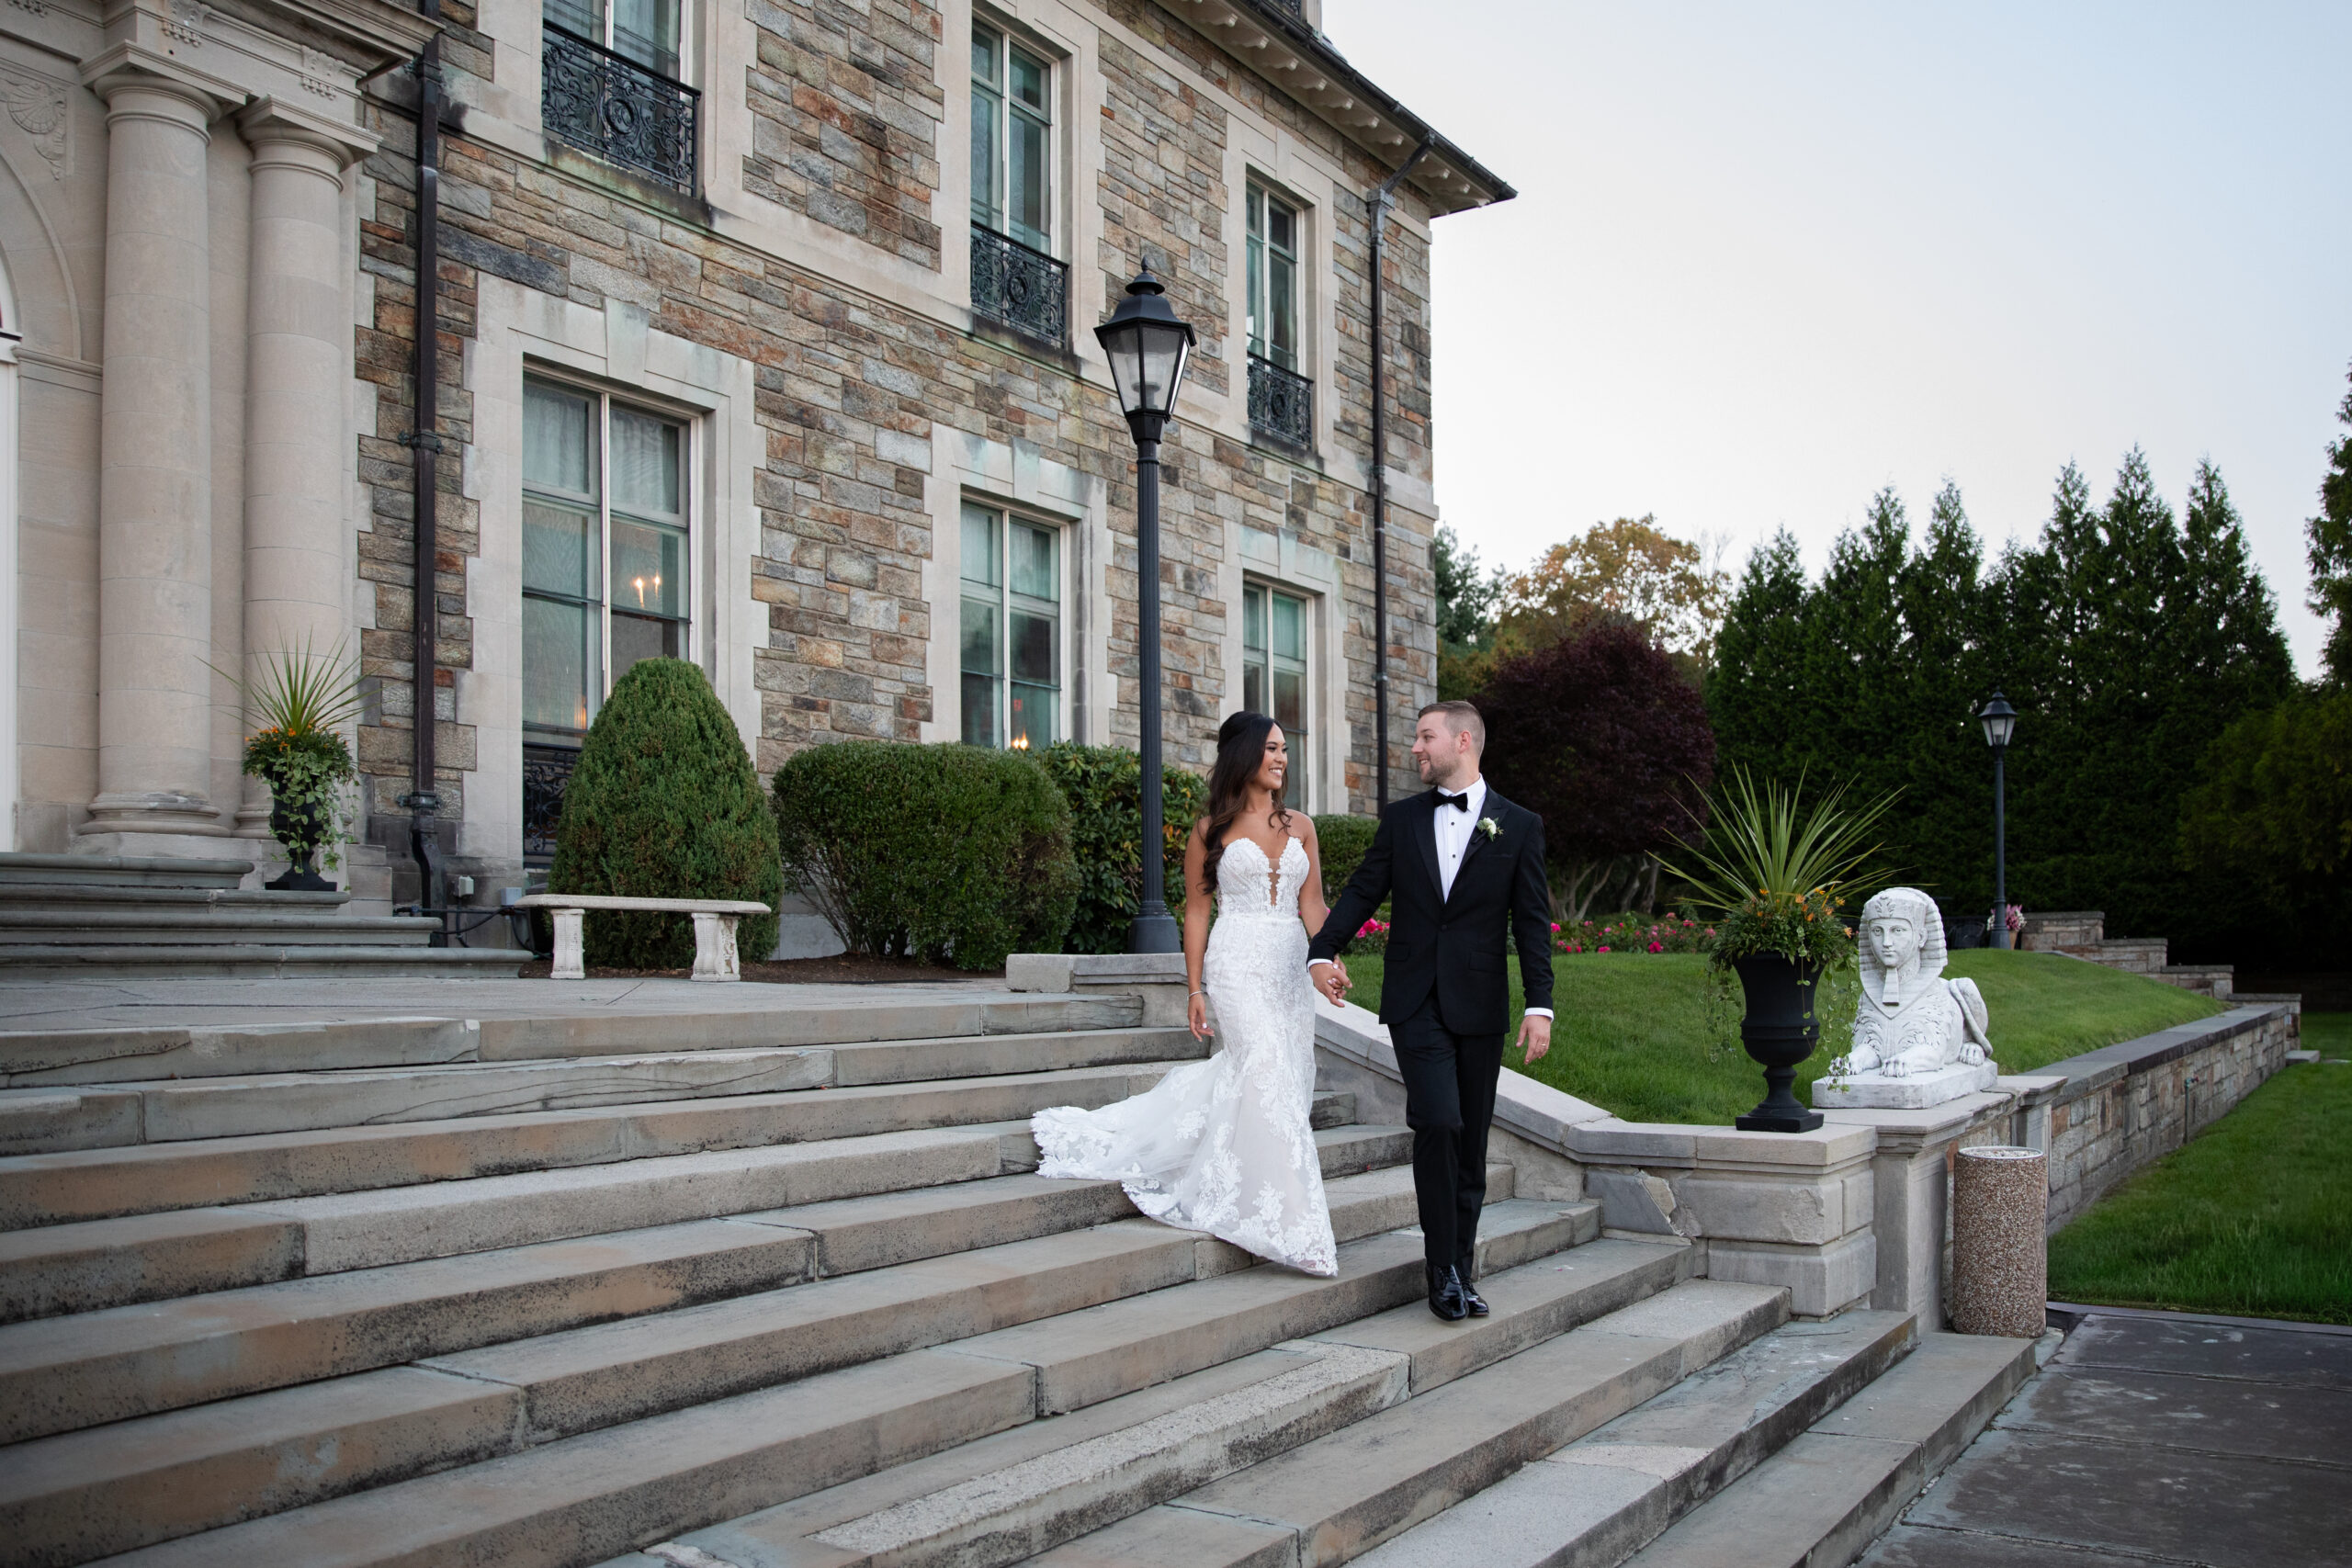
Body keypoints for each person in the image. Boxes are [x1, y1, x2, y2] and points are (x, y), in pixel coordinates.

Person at [1030, 712, 1339, 1276]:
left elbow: (1313, 904)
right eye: (1271, 749)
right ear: (1245, 755)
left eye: (1285, 750)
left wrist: (1327, 954)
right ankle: (1295, 1227)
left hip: (1289, 968)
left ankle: (1248, 1180)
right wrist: (1194, 987)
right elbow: (1197, 912)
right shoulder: (1209, 831)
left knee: (1282, 1080)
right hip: (1237, 961)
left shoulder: (1302, 825)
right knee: (1265, 1070)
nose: (1281, 759)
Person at [1308, 700, 1555, 1321]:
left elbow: (1531, 924)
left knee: (1470, 1145)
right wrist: (1322, 949)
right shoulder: (1402, 819)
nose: (1416, 747)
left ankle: (1461, 1269)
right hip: (1414, 999)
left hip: (1480, 1005)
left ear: (1463, 740)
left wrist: (1540, 1004)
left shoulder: (1519, 826)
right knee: (1439, 1122)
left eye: (1426, 736)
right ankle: (1440, 1268)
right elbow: (1366, 887)